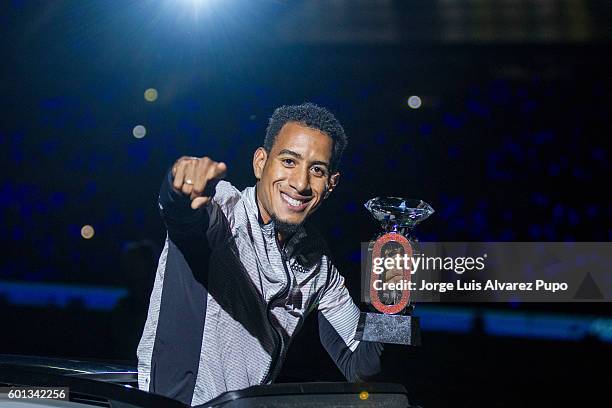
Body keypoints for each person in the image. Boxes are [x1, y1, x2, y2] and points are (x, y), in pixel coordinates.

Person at [137, 103, 386, 406]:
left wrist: (393, 306)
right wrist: (181, 183)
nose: (301, 183)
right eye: (289, 161)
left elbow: (362, 369)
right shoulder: (225, 212)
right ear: (260, 162)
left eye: (317, 169)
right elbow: (183, 216)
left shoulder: (319, 267)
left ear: (331, 184)